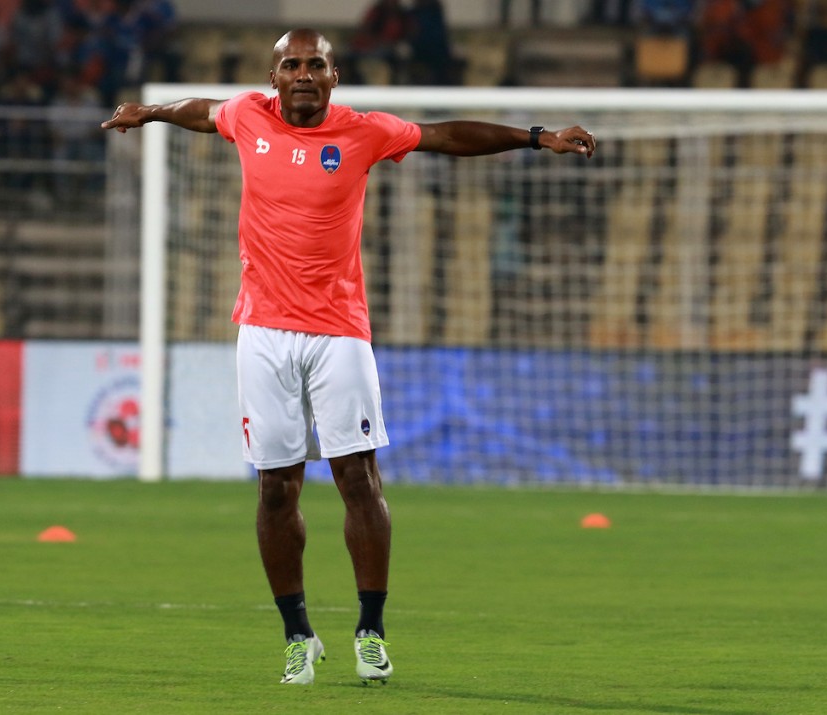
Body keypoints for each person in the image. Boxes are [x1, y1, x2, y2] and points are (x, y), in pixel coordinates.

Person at [101, 27, 595, 686]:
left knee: (357, 480)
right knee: (276, 488)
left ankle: (370, 628)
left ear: (334, 77)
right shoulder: (247, 115)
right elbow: (201, 111)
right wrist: (152, 112)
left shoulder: (365, 132)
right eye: (291, 64)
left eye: (316, 64)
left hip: (340, 331)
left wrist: (536, 137)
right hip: (263, 332)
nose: (303, 73)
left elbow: (447, 136)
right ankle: (297, 634)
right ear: (274, 77)